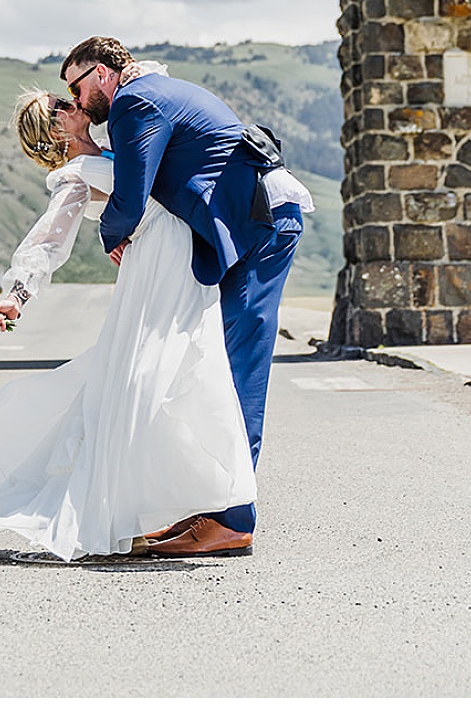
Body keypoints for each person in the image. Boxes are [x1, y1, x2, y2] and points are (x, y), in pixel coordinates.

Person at [0, 81, 257, 563]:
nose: (75, 103)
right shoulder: (76, 174)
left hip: (177, 256)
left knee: (172, 371)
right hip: (157, 264)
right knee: (145, 377)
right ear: (55, 129)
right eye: (63, 105)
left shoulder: (118, 144)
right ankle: (122, 515)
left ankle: (179, 506)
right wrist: (18, 293)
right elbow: (50, 237)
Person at [60, 37, 311, 557]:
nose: (77, 101)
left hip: (260, 226)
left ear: (104, 74)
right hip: (252, 222)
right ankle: (214, 503)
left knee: (238, 367)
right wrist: (92, 152)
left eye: (77, 86)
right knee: (217, 362)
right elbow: (148, 169)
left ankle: (235, 519)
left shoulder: (135, 101)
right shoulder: (153, 94)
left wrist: (114, 237)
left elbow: (131, 196)